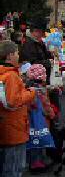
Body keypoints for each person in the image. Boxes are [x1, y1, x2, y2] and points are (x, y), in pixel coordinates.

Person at [0, 40, 36, 176]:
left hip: (5, 126)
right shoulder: (11, 76)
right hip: (15, 127)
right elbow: (13, 101)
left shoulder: (3, 73)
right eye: (16, 53)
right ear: (9, 55)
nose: (18, 56)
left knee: (6, 165)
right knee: (15, 167)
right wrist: (30, 92)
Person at [19, 19, 53, 85]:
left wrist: (50, 54)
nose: (42, 34)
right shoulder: (29, 44)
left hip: (41, 76)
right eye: (40, 32)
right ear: (33, 32)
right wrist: (48, 62)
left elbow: (44, 54)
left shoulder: (38, 42)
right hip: (35, 78)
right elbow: (32, 62)